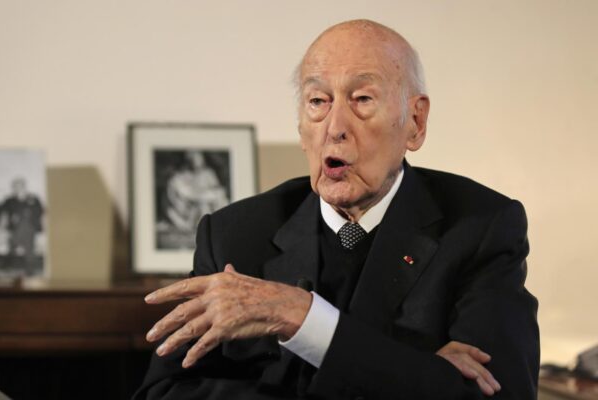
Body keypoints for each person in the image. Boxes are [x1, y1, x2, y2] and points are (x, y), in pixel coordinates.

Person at [134, 19, 539, 399]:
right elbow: (162, 392)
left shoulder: (480, 227)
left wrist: (301, 316)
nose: (335, 127)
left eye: (362, 99)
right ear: (301, 128)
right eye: (318, 101)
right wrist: (421, 375)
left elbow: (503, 394)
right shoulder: (234, 236)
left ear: (415, 123)